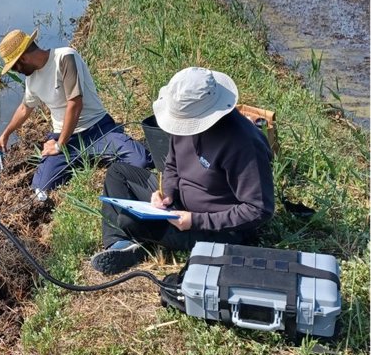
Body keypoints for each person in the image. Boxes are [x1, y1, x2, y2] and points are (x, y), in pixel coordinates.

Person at [91, 66, 274, 275]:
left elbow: (259, 209)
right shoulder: (185, 121)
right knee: (118, 173)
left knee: (129, 220)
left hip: (213, 226)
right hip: (178, 204)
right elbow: (171, 164)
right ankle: (120, 243)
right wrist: (166, 192)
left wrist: (195, 220)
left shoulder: (243, 144)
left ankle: (141, 239)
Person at [0, 28, 151, 199]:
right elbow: (25, 108)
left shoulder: (64, 57)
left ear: (23, 58)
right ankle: (85, 158)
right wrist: (5, 134)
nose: (17, 72)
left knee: (141, 161)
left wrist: (59, 145)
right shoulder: (32, 80)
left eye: (14, 67)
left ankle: (89, 156)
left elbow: (75, 103)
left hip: (97, 128)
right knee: (41, 188)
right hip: (65, 137)